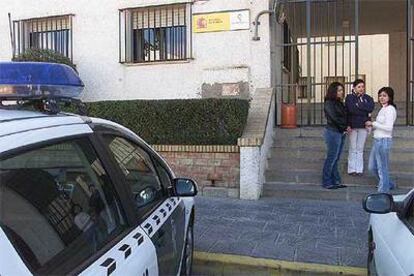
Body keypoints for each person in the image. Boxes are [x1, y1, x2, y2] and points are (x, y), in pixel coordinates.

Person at [366, 87, 397, 193]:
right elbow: (380, 126)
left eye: (384, 95)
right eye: (380, 95)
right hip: (377, 140)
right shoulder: (383, 109)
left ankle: (383, 192)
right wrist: (372, 126)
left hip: (384, 141)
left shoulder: (390, 109)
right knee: (371, 167)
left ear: (390, 97)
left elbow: (389, 128)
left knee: (382, 168)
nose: (381, 98)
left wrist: (373, 123)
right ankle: (389, 184)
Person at [322, 82, 349, 189]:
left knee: (336, 158)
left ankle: (336, 180)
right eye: (339, 90)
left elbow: (344, 116)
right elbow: (333, 118)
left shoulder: (339, 103)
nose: (341, 92)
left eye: (342, 90)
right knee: (331, 158)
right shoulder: (329, 103)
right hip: (333, 132)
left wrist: (346, 126)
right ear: (333, 91)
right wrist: (344, 127)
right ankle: (327, 181)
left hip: (340, 132)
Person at [345, 79, 375, 176]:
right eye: (359, 87)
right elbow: (351, 109)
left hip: (363, 126)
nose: (361, 89)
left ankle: (359, 169)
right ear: (354, 88)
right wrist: (363, 109)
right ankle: (351, 169)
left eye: (362, 86)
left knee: (360, 148)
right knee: (353, 147)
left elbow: (370, 107)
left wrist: (359, 105)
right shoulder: (349, 98)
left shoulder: (368, 98)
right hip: (353, 125)